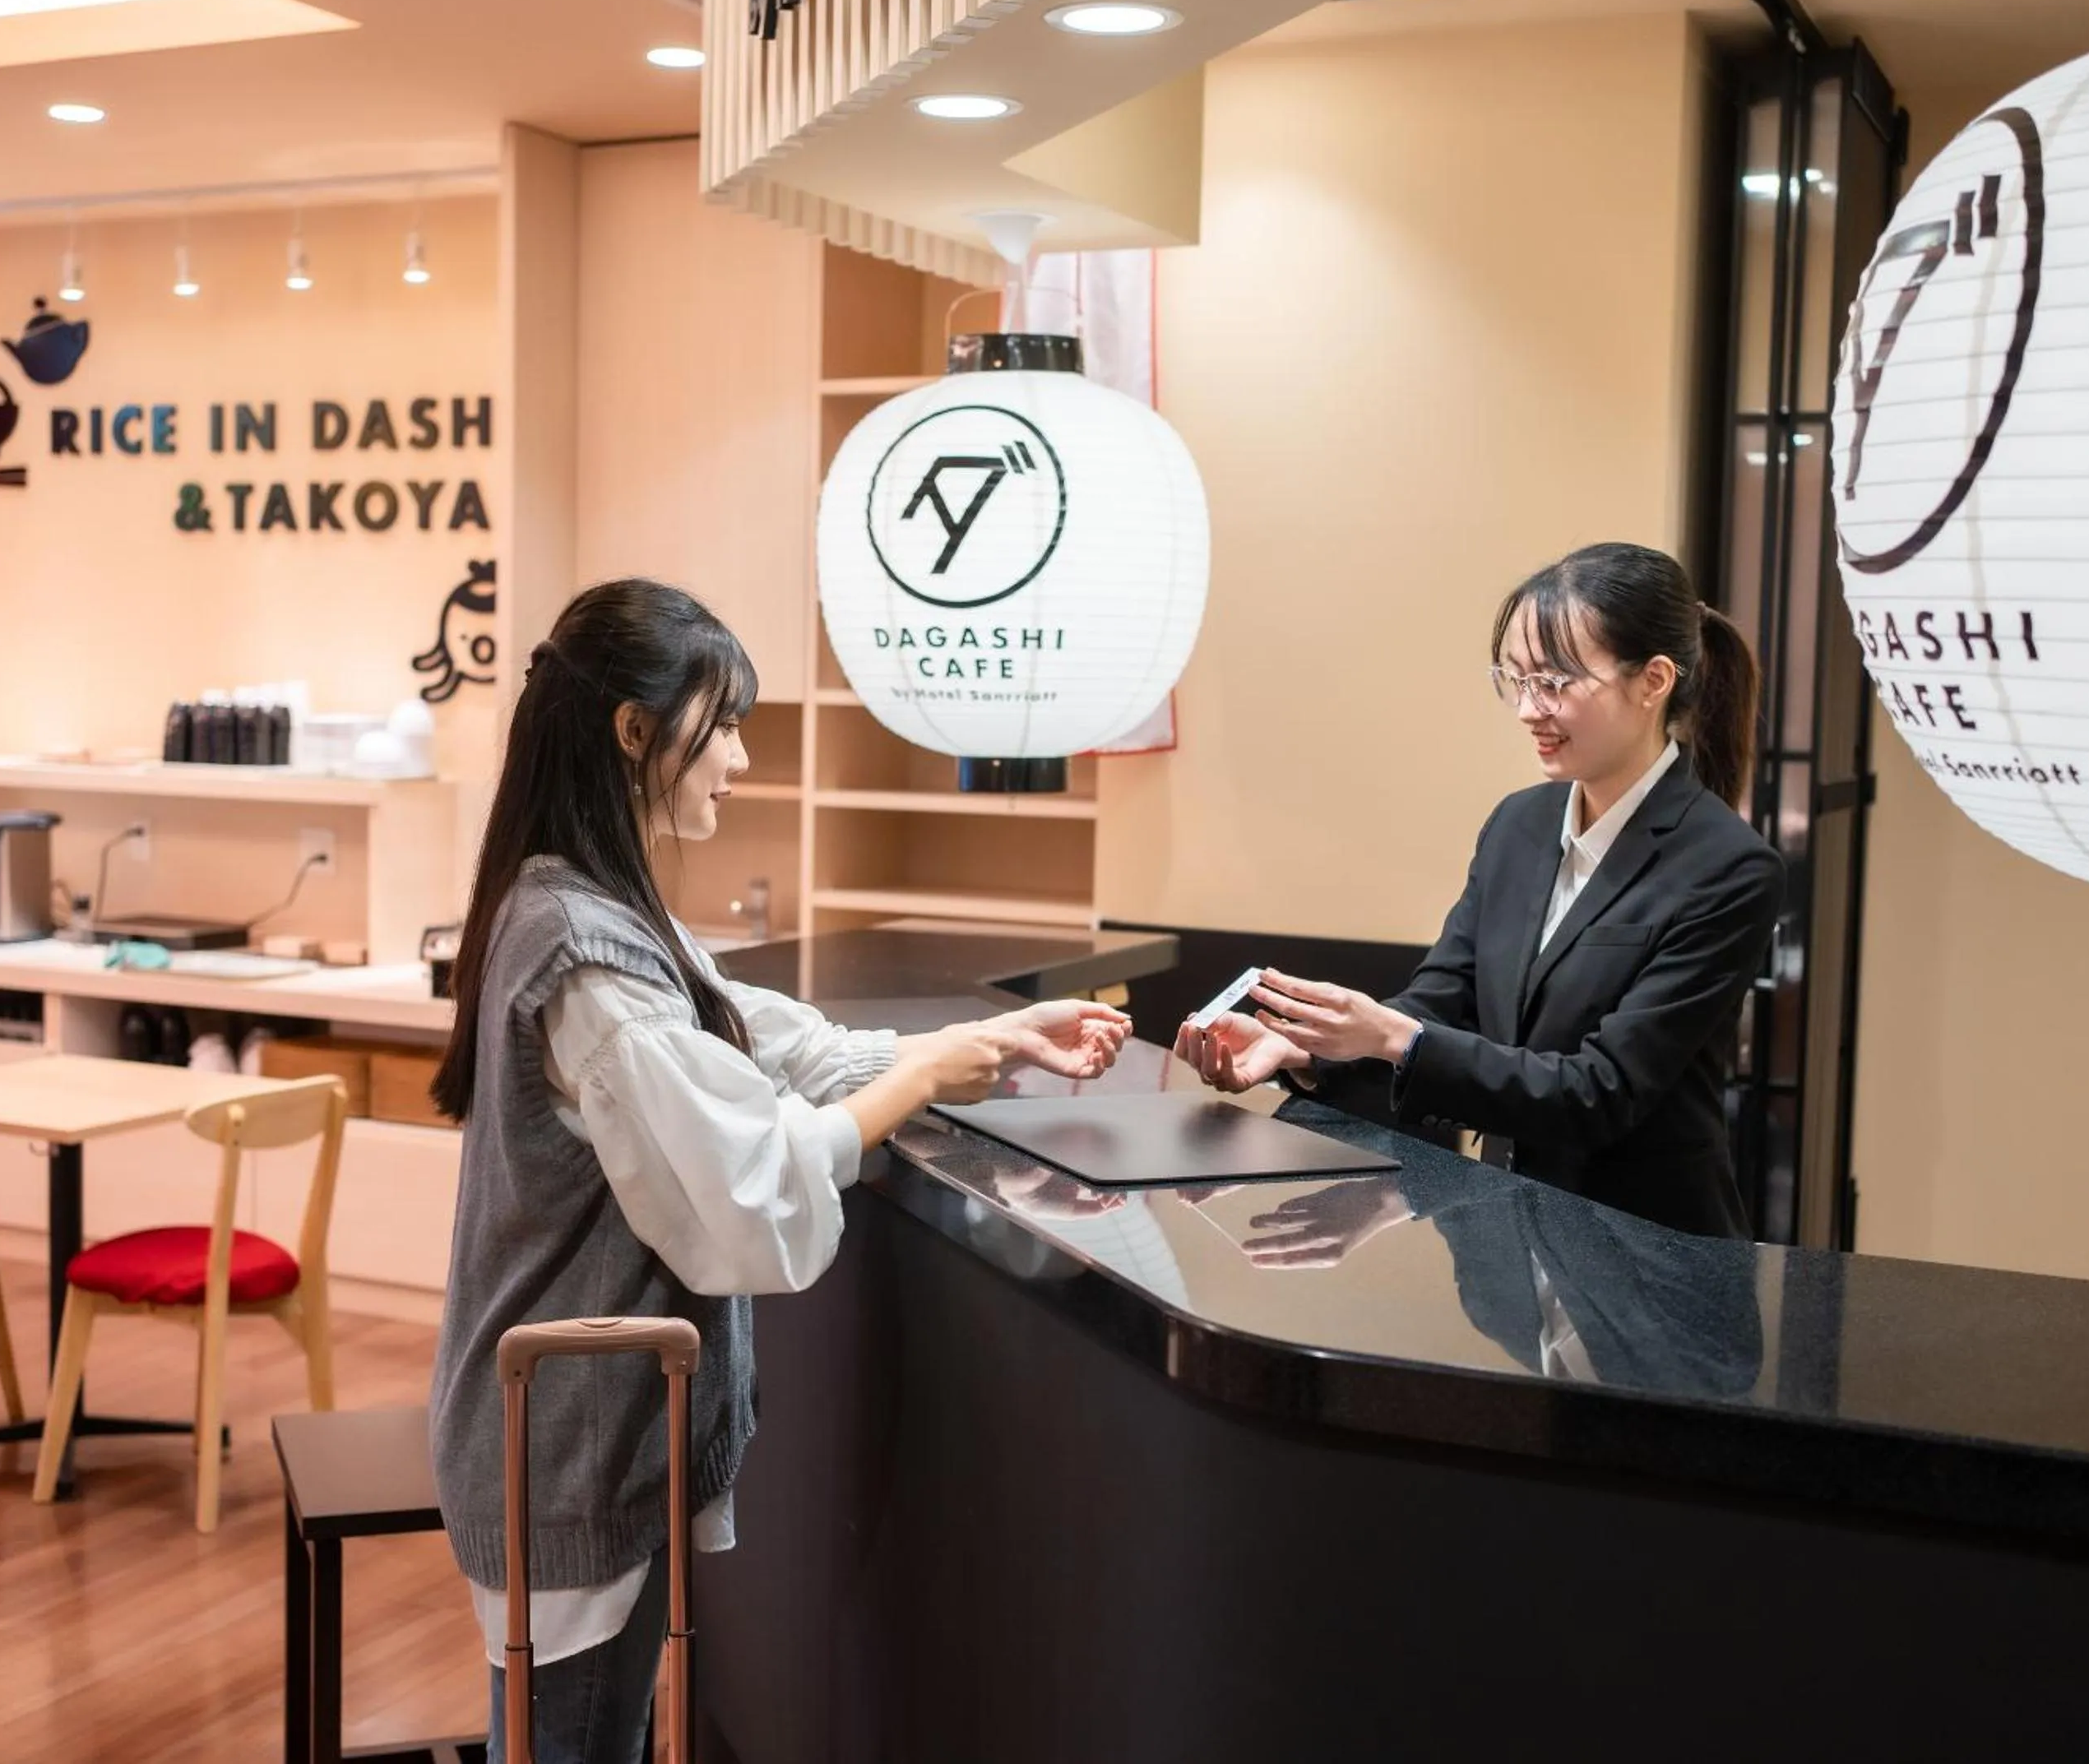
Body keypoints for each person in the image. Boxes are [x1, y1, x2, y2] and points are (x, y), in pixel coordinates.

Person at [427, 578, 1132, 1764]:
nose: (744, 758)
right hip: (565, 1442)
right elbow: (745, 1184)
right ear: (635, 731)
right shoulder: (588, 949)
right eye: (727, 723)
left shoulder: (581, 897)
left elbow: (747, 1035)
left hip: (559, 1434)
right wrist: (909, 1086)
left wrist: (980, 1043)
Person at [1176, 543, 1784, 1239]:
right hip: (1511, 1250)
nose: (1529, 710)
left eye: (1555, 682)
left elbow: (1600, 1091)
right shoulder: (1518, 826)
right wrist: (1308, 1051)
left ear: (1653, 681)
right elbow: (1443, 1004)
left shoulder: (1729, 868)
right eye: (1516, 680)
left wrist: (1394, 1036)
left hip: (1651, 1262)